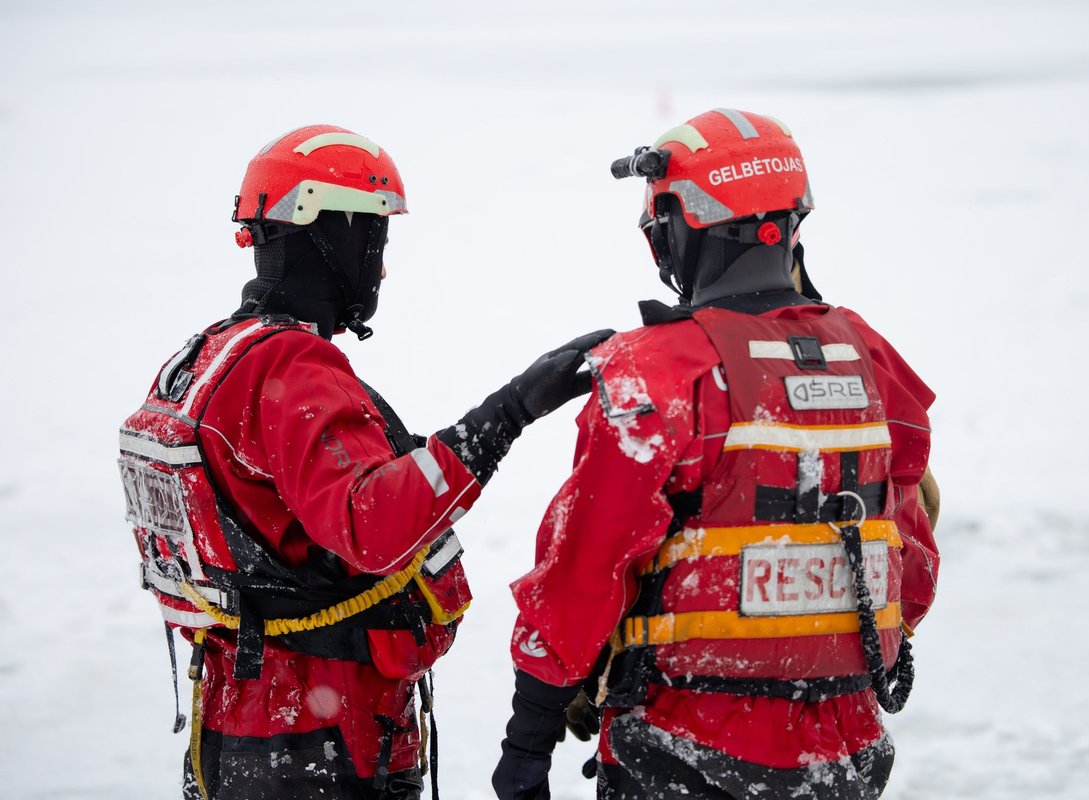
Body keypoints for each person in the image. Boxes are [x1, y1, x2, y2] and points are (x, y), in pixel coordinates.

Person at [117, 124, 611, 800]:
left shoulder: (209, 358)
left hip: (245, 725)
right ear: (330, 234)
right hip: (322, 741)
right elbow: (374, 524)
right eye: (374, 236)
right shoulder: (290, 365)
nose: (379, 265)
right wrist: (512, 410)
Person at [491, 109, 940, 800]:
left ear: (680, 227)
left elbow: (582, 568)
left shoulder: (660, 371)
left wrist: (529, 735)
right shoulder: (868, 358)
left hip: (683, 750)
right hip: (843, 756)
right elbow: (909, 564)